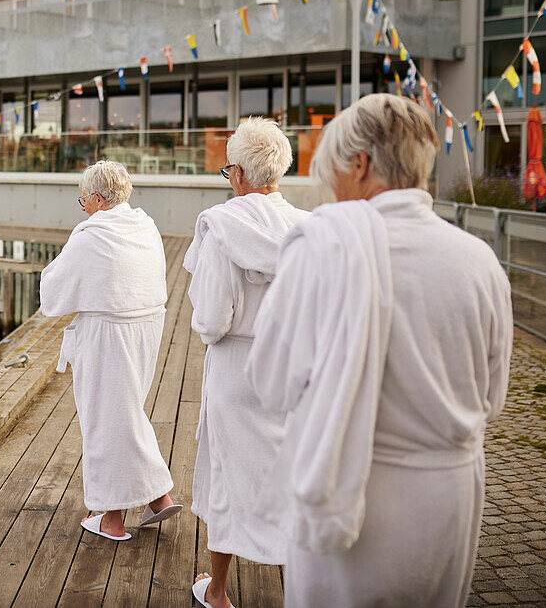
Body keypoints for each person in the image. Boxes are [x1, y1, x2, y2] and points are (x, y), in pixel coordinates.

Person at [246, 94, 512, 607]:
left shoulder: (323, 247)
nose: (331, 191)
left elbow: (273, 384)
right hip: (448, 500)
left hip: (353, 494)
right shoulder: (480, 261)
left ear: (361, 164)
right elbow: (492, 399)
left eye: (331, 174)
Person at [185, 118, 309, 608]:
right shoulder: (306, 228)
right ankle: (302, 587)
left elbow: (212, 320)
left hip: (239, 368)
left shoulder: (222, 228)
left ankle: (217, 592)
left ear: (237, 172)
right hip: (292, 367)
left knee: (226, 477)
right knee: (292, 474)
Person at [39, 160, 180, 541]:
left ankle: (112, 519)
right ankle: (158, 498)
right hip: (147, 328)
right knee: (126, 414)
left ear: (98, 199)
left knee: (106, 421)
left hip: (109, 335)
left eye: (82, 199)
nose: (82, 206)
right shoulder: (144, 226)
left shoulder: (92, 234)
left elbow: (52, 292)